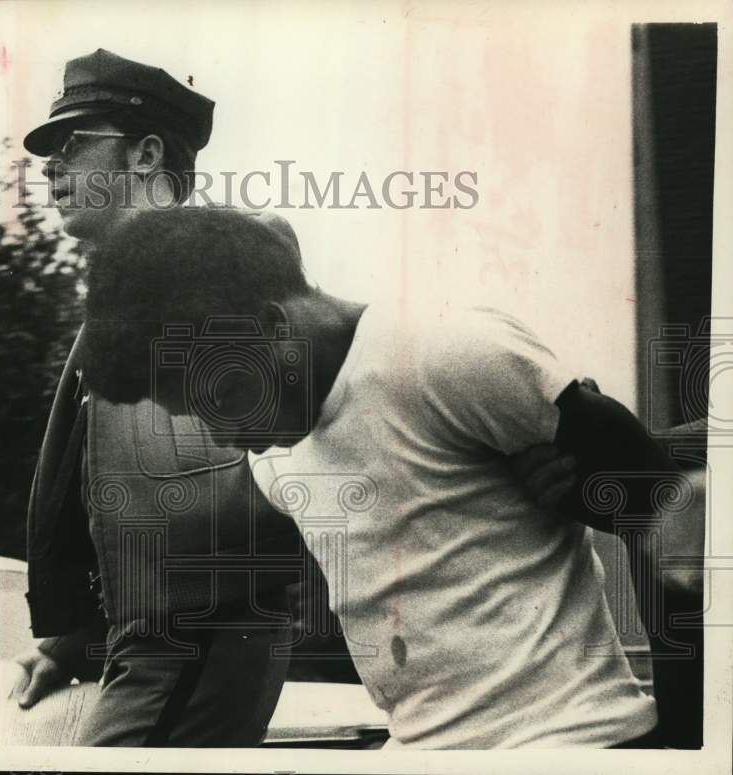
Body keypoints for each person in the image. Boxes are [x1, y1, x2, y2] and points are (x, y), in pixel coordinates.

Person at [77, 205, 704, 748]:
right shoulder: (273, 455)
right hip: (419, 749)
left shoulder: (448, 350)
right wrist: (66, 642)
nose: (222, 437)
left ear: (270, 328)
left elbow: (670, 509)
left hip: (568, 741)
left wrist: (684, 736)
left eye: (221, 397)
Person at [11, 49, 304, 747]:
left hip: (196, 636)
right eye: (49, 152)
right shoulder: (125, 300)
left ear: (145, 155)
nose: (49, 167)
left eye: (72, 144)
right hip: (155, 641)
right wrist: (71, 643)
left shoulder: (227, 259)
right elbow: (128, 502)